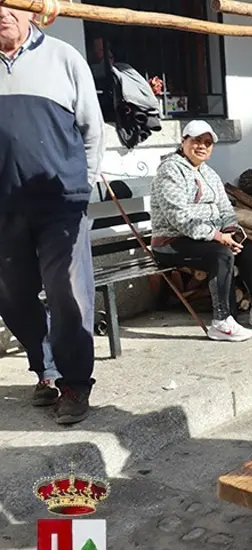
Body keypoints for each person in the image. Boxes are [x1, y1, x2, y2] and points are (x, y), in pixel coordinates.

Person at [0, 8, 104, 424]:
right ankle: (46, 370)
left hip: (61, 201)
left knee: (66, 291)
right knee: (11, 293)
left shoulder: (63, 58)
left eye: (12, 4)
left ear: (31, 12)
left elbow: (91, 128)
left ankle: (76, 385)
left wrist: (86, 186)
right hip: (4, 205)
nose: (2, 14)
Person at [150, 121, 252, 342]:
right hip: (171, 241)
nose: (202, 146)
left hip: (205, 238)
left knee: (247, 247)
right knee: (220, 254)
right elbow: (179, 217)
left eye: (207, 143)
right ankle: (221, 321)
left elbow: (225, 209)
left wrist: (232, 232)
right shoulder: (170, 171)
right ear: (183, 142)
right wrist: (218, 236)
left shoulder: (209, 173)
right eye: (196, 141)